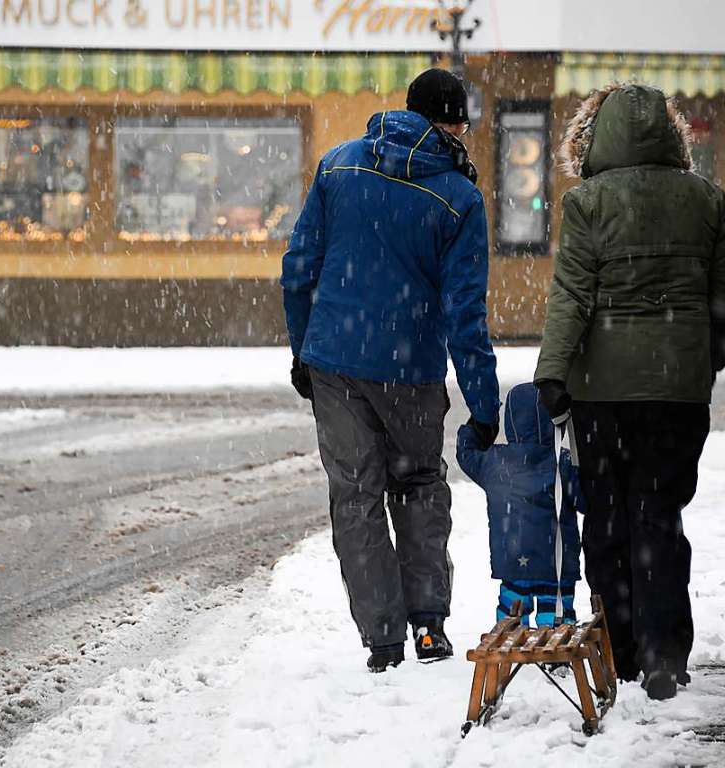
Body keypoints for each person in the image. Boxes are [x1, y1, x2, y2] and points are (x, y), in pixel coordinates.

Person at [534, 83, 725, 700]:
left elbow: (572, 294)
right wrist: (701, 358)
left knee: (605, 516)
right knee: (658, 514)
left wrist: (553, 372)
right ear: (671, 135)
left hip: (601, 392)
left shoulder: (588, 202)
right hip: (677, 393)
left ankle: (618, 649)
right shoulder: (705, 199)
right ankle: (664, 651)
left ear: (596, 139)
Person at [280, 68, 500, 673]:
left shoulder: (338, 167)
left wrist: (303, 349)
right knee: (420, 487)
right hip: (412, 374)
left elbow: (298, 269)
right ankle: (428, 626)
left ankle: (382, 640)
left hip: (336, 364)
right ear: (452, 124)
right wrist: (485, 407)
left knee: (355, 499)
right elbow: (465, 314)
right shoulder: (459, 198)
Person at [456, 383, 583, 628]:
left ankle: (510, 636)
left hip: (514, 561)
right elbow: (586, 501)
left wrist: (481, 424)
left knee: (512, 608)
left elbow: (465, 453)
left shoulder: (495, 462)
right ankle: (557, 645)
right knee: (556, 610)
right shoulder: (563, 462)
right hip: (557, 563)